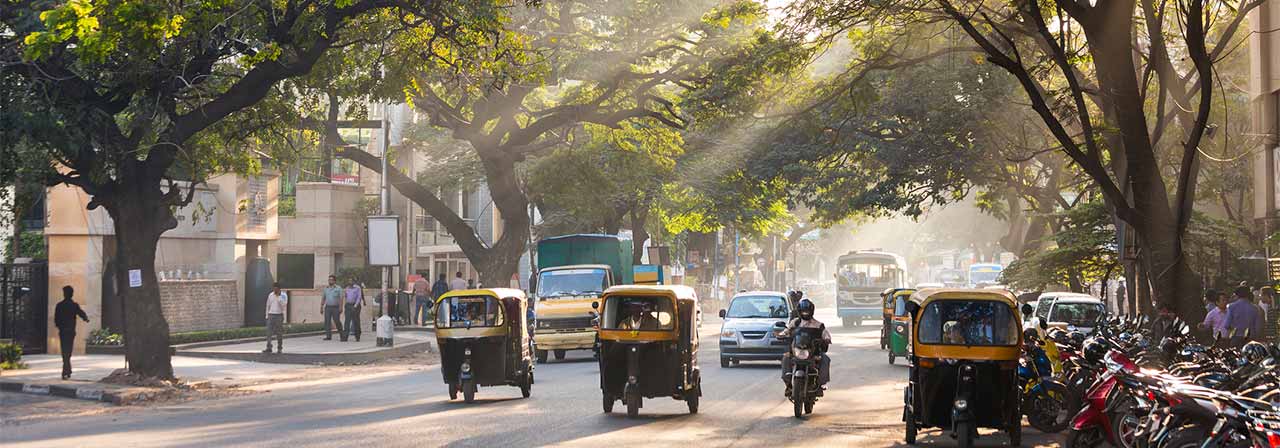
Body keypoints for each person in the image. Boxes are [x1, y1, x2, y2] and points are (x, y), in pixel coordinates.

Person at [779, 292, 832, 397]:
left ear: (811, 311)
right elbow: (787, 330)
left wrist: (826, 338)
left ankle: (820, 384)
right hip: (797, 350)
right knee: (785, 358)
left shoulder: (818, 324)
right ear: (800, 311)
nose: (805, 314)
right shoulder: (795, 322)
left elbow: (825, 333)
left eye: (807, 311)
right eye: (803, 311)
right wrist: (782, 334)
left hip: (812, 352)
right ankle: (788, 385)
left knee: (825, 359)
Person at [53, 286, 90, 379]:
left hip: (63, 331)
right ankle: (66, 370)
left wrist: (59, 326)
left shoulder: (60, 305)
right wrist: (86, 319)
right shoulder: (74, 305)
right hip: (70, 331)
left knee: (65, 351)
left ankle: (66, 370)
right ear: (71, 294)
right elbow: (81, 313)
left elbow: (56, 319)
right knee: (68, 351)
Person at [263, 283, 288, 353]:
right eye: (274, 289)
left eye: (276, 289)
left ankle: (279, 348)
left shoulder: (284, 295)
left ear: (279, 289)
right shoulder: (270, 295)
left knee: (279, 333)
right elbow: (268, 305)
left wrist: (278, 297)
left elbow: (284, 305)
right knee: (269, 332)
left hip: (279, 315)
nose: (275, 290)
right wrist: (267, 316)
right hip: (271, 315)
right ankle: (269, 347)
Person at [321, 275, 345, 341]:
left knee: (337, 321)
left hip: (336, 308)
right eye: (329, 280)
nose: (330, 281)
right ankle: (328, 336)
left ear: (334, 281)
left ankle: (342, 335)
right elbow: (323, 298)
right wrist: (321, 306)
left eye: (331, 280)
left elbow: (341, 298)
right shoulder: (326, 288)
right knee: (327, 322)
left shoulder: (338, 288)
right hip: (328, 307)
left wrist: (341, 307)